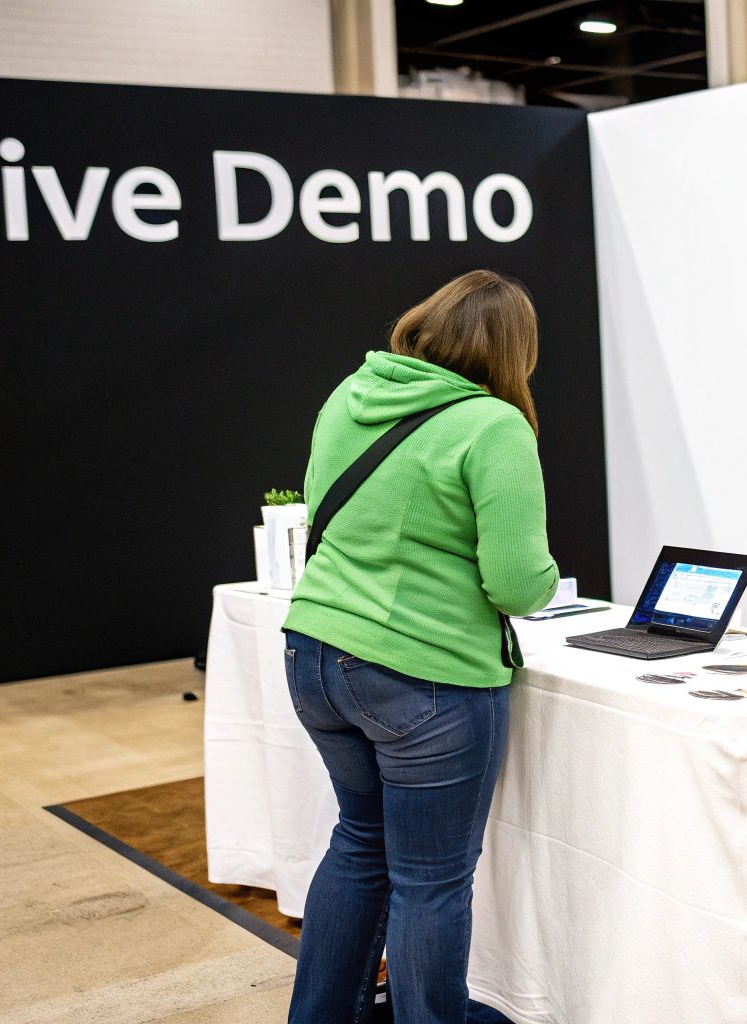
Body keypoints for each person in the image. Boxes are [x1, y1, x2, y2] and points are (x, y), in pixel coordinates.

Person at [281, 270, 559, 1024]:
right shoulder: (493, 425)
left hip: (314, 652)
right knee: (430, 882)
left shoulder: (351, 393)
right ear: (514, 351)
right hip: (423, 677)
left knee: (358, 843)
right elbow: (517, 585)